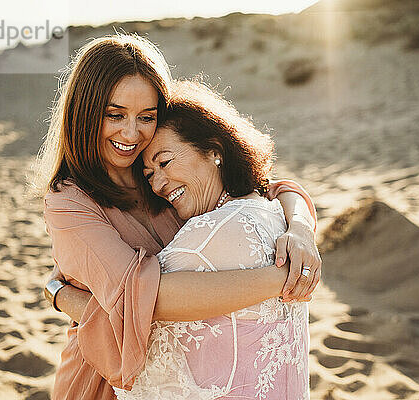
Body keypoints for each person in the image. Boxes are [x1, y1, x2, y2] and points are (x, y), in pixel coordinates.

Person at [35, 34, 321, 400]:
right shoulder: (69, 203)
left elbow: (269, 188)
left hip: (187, 376)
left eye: (147, 117)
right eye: (115, 114)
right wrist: (284, 279)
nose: (131, 133)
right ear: (86, 112)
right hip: (105, 379)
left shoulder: (158, 172)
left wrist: (300, 228)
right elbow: (146, 297)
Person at [108, 79, 310, 399]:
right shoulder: (271, 212)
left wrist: (57, 291)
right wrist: (300, 224)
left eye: (164, 162)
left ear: (213, 151)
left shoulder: (203, 240)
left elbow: (126, 307)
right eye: (148, 175)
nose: (159, 183)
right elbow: (278, 187)